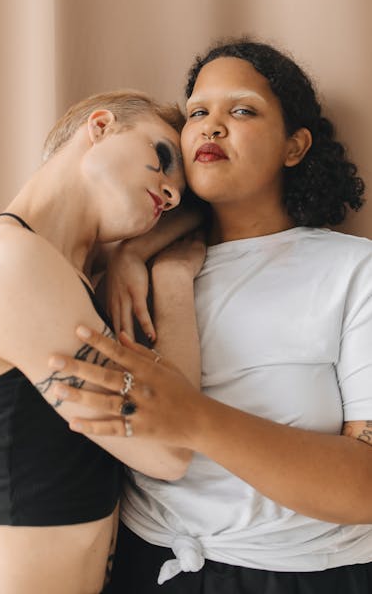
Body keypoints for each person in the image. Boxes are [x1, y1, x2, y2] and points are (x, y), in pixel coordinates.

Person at [46, 41, 372, 593]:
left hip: (308, 576)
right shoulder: (129, 271)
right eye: (198, 112)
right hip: (148, 567)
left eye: (241, 110)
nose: (211, 127)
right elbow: (62, 409)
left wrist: (193, 417)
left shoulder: (352, 271)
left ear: (295, 146)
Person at [0, 89, 199, 594]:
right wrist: (175, 279)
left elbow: (17, 433)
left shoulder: (64, 273)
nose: (173, 194)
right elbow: (171, 448)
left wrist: (130, 255)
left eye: (179, 189)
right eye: (162, 159)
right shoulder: (9, 262)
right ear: (100, 126)